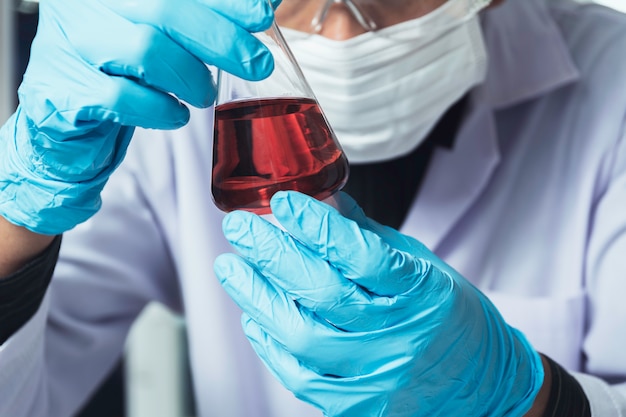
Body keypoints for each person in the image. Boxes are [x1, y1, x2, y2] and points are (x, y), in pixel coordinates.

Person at [0, 0, 625, 415]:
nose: (342, 25)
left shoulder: (613, 82)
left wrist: (531, 401)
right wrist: (19, 213)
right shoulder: (163, 91)